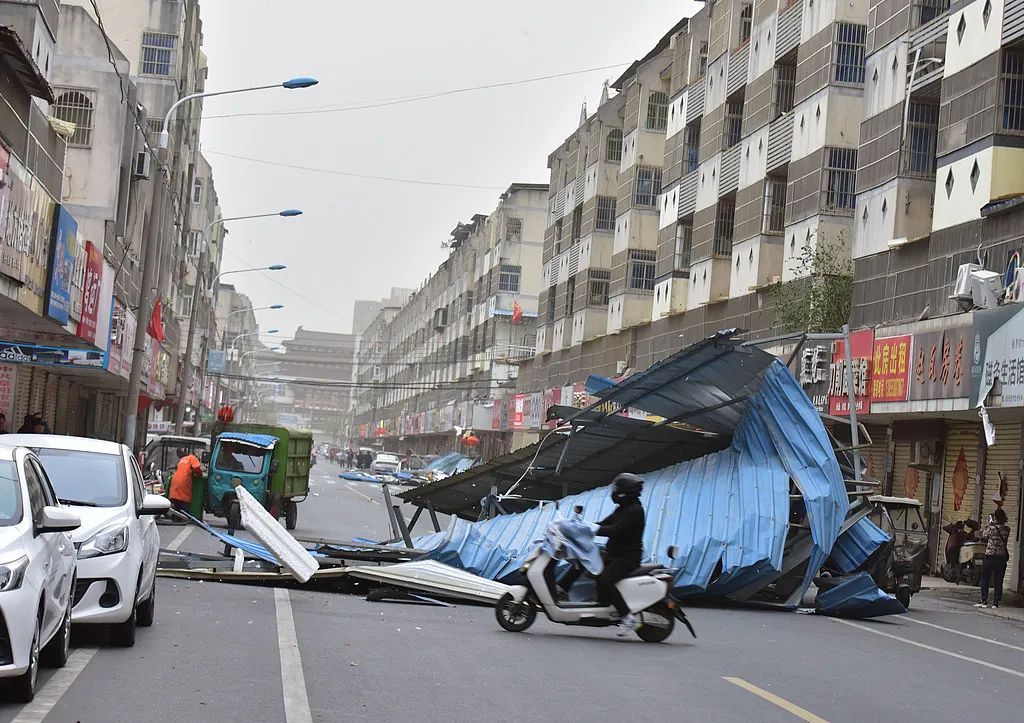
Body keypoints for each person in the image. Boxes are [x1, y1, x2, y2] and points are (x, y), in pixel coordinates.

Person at [556, 473, 646, 632]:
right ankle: (562, 588)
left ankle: (628, 617)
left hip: (627, 558)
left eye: (617, 488)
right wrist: (579, 527)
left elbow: (615, 530)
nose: (614, 491)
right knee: (586, 557)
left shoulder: (634, 511)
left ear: (625, 491)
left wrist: (593, 529)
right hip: (614, 553)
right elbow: (604, 523)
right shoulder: (623, 508)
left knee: (606, 580)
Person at [975, 509, 1011, 609]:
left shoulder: (991, 529)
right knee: (998, 579)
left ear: (995, 517)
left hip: (990, 556)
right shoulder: (1007, 529)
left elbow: (984, 535)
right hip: (1001, 557)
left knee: (985, 578)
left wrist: (989, 524)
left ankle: (984, 600)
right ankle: (995, 602)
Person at [169, 447, 203, 517]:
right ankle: (184, 517)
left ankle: (175, 517)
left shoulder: (183, 459)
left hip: (175, 480)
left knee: (176, 500)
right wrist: (199, 474)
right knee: (184, 500)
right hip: (183, 481)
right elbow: (196, 467)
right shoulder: (192, 458)